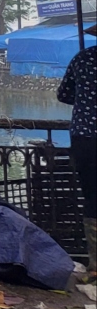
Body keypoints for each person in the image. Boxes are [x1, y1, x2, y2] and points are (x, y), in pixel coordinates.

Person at [57, 23, 97, 281]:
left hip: (85, 137)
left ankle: (95, 265)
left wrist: (86, 100)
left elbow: (63, 94)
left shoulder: (84, 58)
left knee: (93, 197)